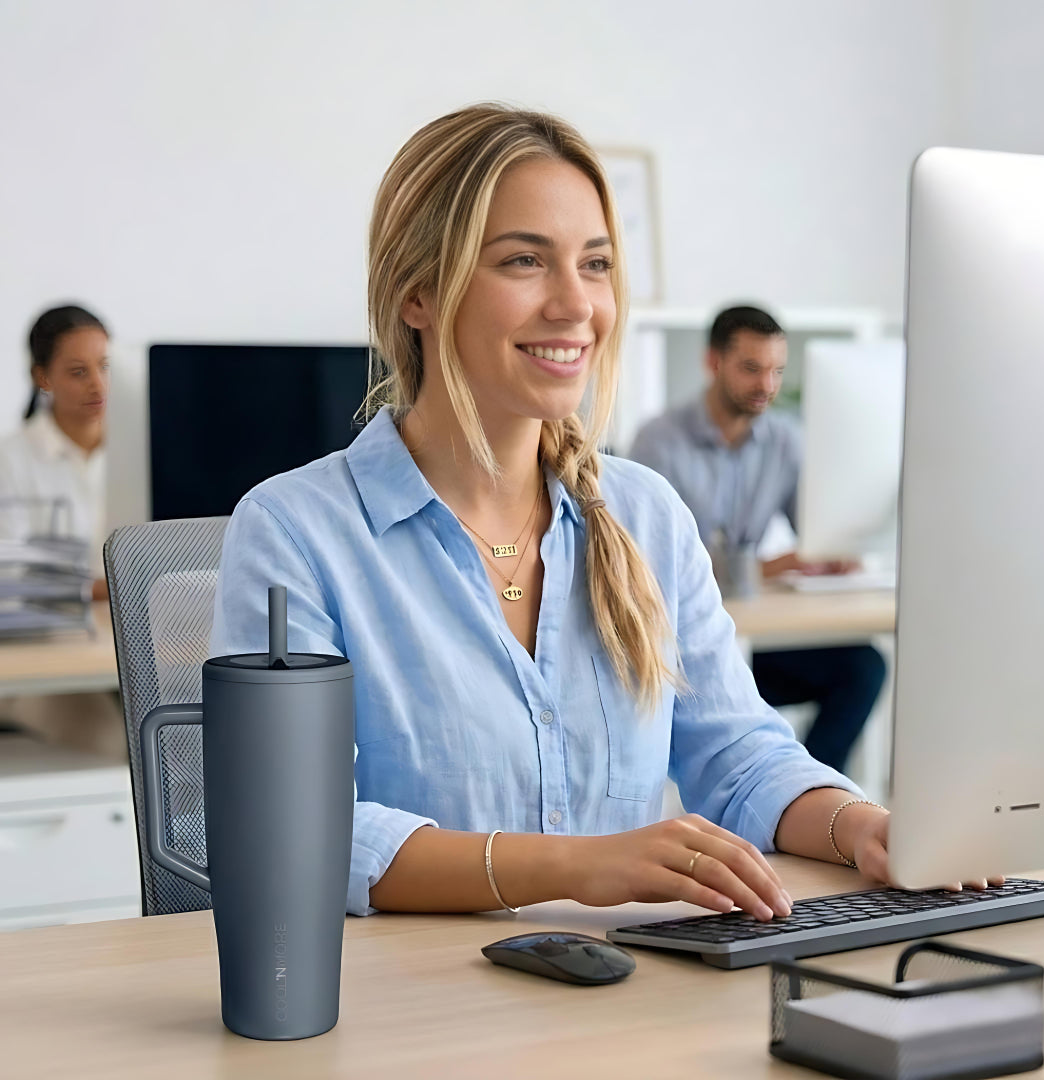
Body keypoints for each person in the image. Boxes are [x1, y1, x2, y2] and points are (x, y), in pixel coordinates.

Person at [211, 104, 986, 920]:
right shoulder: (296, 531)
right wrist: (574, 867)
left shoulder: (645, 513)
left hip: (618, 1004)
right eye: (524, 261)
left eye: (597, 264)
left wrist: (862, 826)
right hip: (409, 1023)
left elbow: (738, 752)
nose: (576, 304)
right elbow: (300, 831)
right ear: (418, 293)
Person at [629, 306, 886, 775]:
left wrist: (833, 548)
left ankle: (808, 794)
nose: (767, 385)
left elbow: (813, 530)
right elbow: (656, 565)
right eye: (751, 368)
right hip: (684, 648)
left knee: (863, 668)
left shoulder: (784, 442)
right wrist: (771, 567)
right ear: (714, 363)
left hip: (752, 635)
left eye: (776, 371)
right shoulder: (659, 443)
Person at [0, 304, 110, 601]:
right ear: (43, 378)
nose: (98, 385)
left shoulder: (141, 451)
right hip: (50, 637)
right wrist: (100, 591)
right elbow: (9, 574)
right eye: (79, 372)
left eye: (105, 366)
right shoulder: (9, 459)